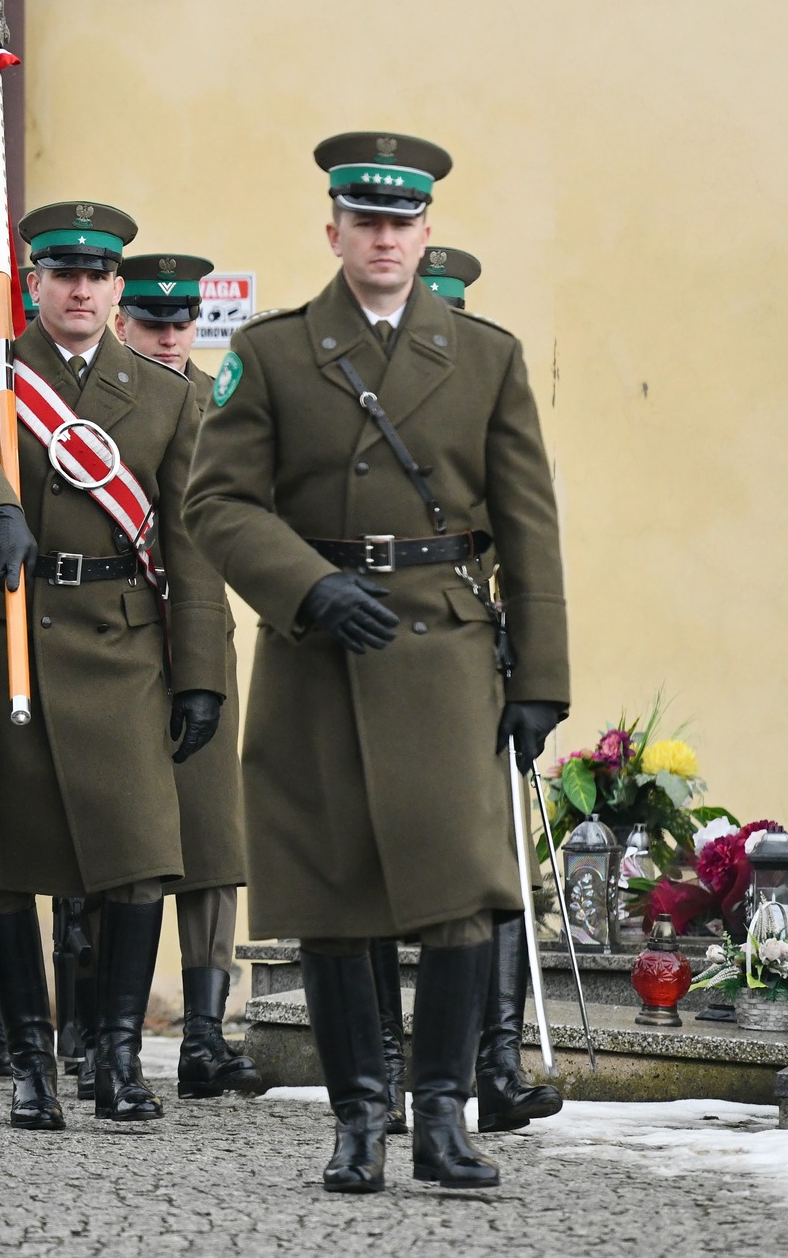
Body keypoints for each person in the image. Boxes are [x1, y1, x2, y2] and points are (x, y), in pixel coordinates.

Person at [185, 132, 569, 1192]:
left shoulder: (485, 356)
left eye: (401, 223)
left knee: (460, 887)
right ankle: (359, 1120)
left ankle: (441, 1118)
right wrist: (305, 585)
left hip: (445, 648)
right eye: (365, 222)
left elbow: (529, 524)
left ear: (425, 232)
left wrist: (540, 677)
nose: (384, 239)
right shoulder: (270, 353)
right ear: (334, 232)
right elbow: (215, 502)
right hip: (320, 650)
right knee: (331, 892)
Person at [0, 201, 230, 1131]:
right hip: (11, 627)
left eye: (97, 275)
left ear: (118, 288)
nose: (82, 289)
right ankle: (31, 1062)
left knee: (137, 856)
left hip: (122, 642)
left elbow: (191, 541)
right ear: (35, 283)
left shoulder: (170, 395)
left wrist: (200, 672)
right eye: (63, 273)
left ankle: (118, 1059)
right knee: (2, 864)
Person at [413, 242, 562, 1137]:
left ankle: (497, 1063)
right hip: (388, 650)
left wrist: (527, 661)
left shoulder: (488, 400)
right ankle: (390, 1067)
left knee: (494, 862)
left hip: (473, 652)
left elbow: (524, 532)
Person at [114, 254, 263, 1099]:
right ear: (122, 320)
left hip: (200, 634)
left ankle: (205, 1031)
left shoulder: (224, 402)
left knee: (210, 835)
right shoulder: (95, 402)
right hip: (110, 635)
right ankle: (104, 1030)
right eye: (151, 321)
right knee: (118, 832)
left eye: (181, 322)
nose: (169, 337)